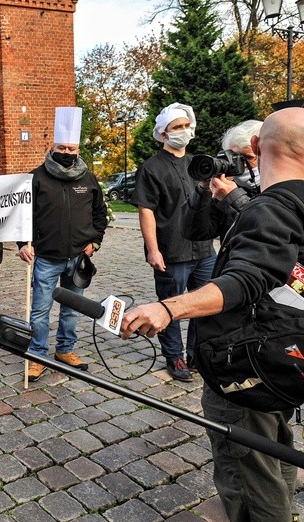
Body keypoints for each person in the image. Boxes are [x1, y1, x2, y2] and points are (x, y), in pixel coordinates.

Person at [121, 107, 304, 522]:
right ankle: (289, 505)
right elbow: (210, 235)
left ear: (255, 147)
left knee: (252, 482)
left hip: (250, 367)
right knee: (276, 452)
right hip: (294, 348)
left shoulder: (268, 207)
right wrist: (214, 200)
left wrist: (169, 308)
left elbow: (246, 277)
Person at [18, 107, 107, 382]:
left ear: (78, 150)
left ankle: (65, 349)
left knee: (72, 308)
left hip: (79, 257)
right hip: (46, 256)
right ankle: (37, 354)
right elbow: (23, 215)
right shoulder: (36, 177)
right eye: (62, 147)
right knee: (40, 310)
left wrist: (95, 242)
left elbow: (99, 213)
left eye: (71, 148)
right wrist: (23, 243)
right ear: (52, 146)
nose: (66, 152)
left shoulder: (88, 178)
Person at [131, 103, 216, 382]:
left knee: (204, 305)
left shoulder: (197, 164)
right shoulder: (151, 168)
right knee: (169, 305)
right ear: (164, 134)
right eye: (176, 127)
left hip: (204, 249)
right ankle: (174, 355)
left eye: (185, 126)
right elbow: (146, 211)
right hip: (171, 250)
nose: (183, 131)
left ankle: (196, 353)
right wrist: (153, 249)